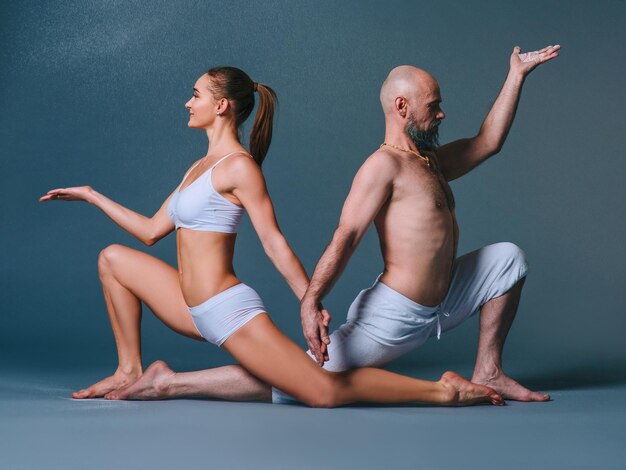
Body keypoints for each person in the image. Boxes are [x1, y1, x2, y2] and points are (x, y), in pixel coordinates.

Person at [103, 45, 558, 405]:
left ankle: (489, 369)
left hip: (446, 300)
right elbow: (346, 237)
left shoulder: (431, 161)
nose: (440, 114)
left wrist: (515, 76)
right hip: (395, 315)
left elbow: (488, 141)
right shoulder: (383, 167)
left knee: (507, 259)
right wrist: (311, 300)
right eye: (433, 106)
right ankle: (172, 383)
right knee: (309, 379)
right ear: (402, 106)